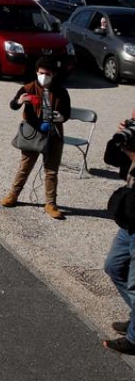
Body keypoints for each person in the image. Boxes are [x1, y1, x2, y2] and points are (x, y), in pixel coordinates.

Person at [0, 57, 71, 219]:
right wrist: (20, 100)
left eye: (47, 73)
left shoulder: (61, 92)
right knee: (24, 167)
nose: (43, 76)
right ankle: (13, 195)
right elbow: (13, 105)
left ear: (53, 74)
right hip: (32, 134)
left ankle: (51, 204)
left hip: (54, 134)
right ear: (36, 72)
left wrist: (60, 117)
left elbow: (67, 113)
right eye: (41, 73)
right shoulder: (28, 88)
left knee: (51, 171)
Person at [103, 112, 135, 355]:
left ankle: (134, 339)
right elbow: (111, 160)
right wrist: (121, 140)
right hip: (130, 220)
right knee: (114, 266)